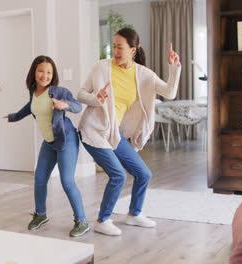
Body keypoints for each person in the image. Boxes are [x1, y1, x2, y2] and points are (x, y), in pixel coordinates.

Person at [77, 28, 181, 236]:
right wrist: (97, 98)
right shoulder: (101, 67)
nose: (115, 51)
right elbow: (80, 94)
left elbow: (169, 93)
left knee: (144, 174)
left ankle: (134, 214)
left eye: (120, 47)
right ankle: (102, 220)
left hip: (114, 134)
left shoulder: (143, 75)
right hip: (93, 130)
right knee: (118, 175)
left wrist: (174, 68)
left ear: (133, 49)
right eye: (114, 46)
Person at [5, 55, 90, 237]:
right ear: (34, 72)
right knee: (40, 178)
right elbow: (30, 107)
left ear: (53, 75)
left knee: (67, 181)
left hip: (66, 140)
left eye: (49, 72)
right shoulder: (34, 92)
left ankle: (81, 221)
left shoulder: (59, 92)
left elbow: (77, 106)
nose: (45, 75)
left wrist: (64, 104)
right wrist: (13, 117)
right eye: (41, 71)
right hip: (49, 142)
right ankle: (40, 215)